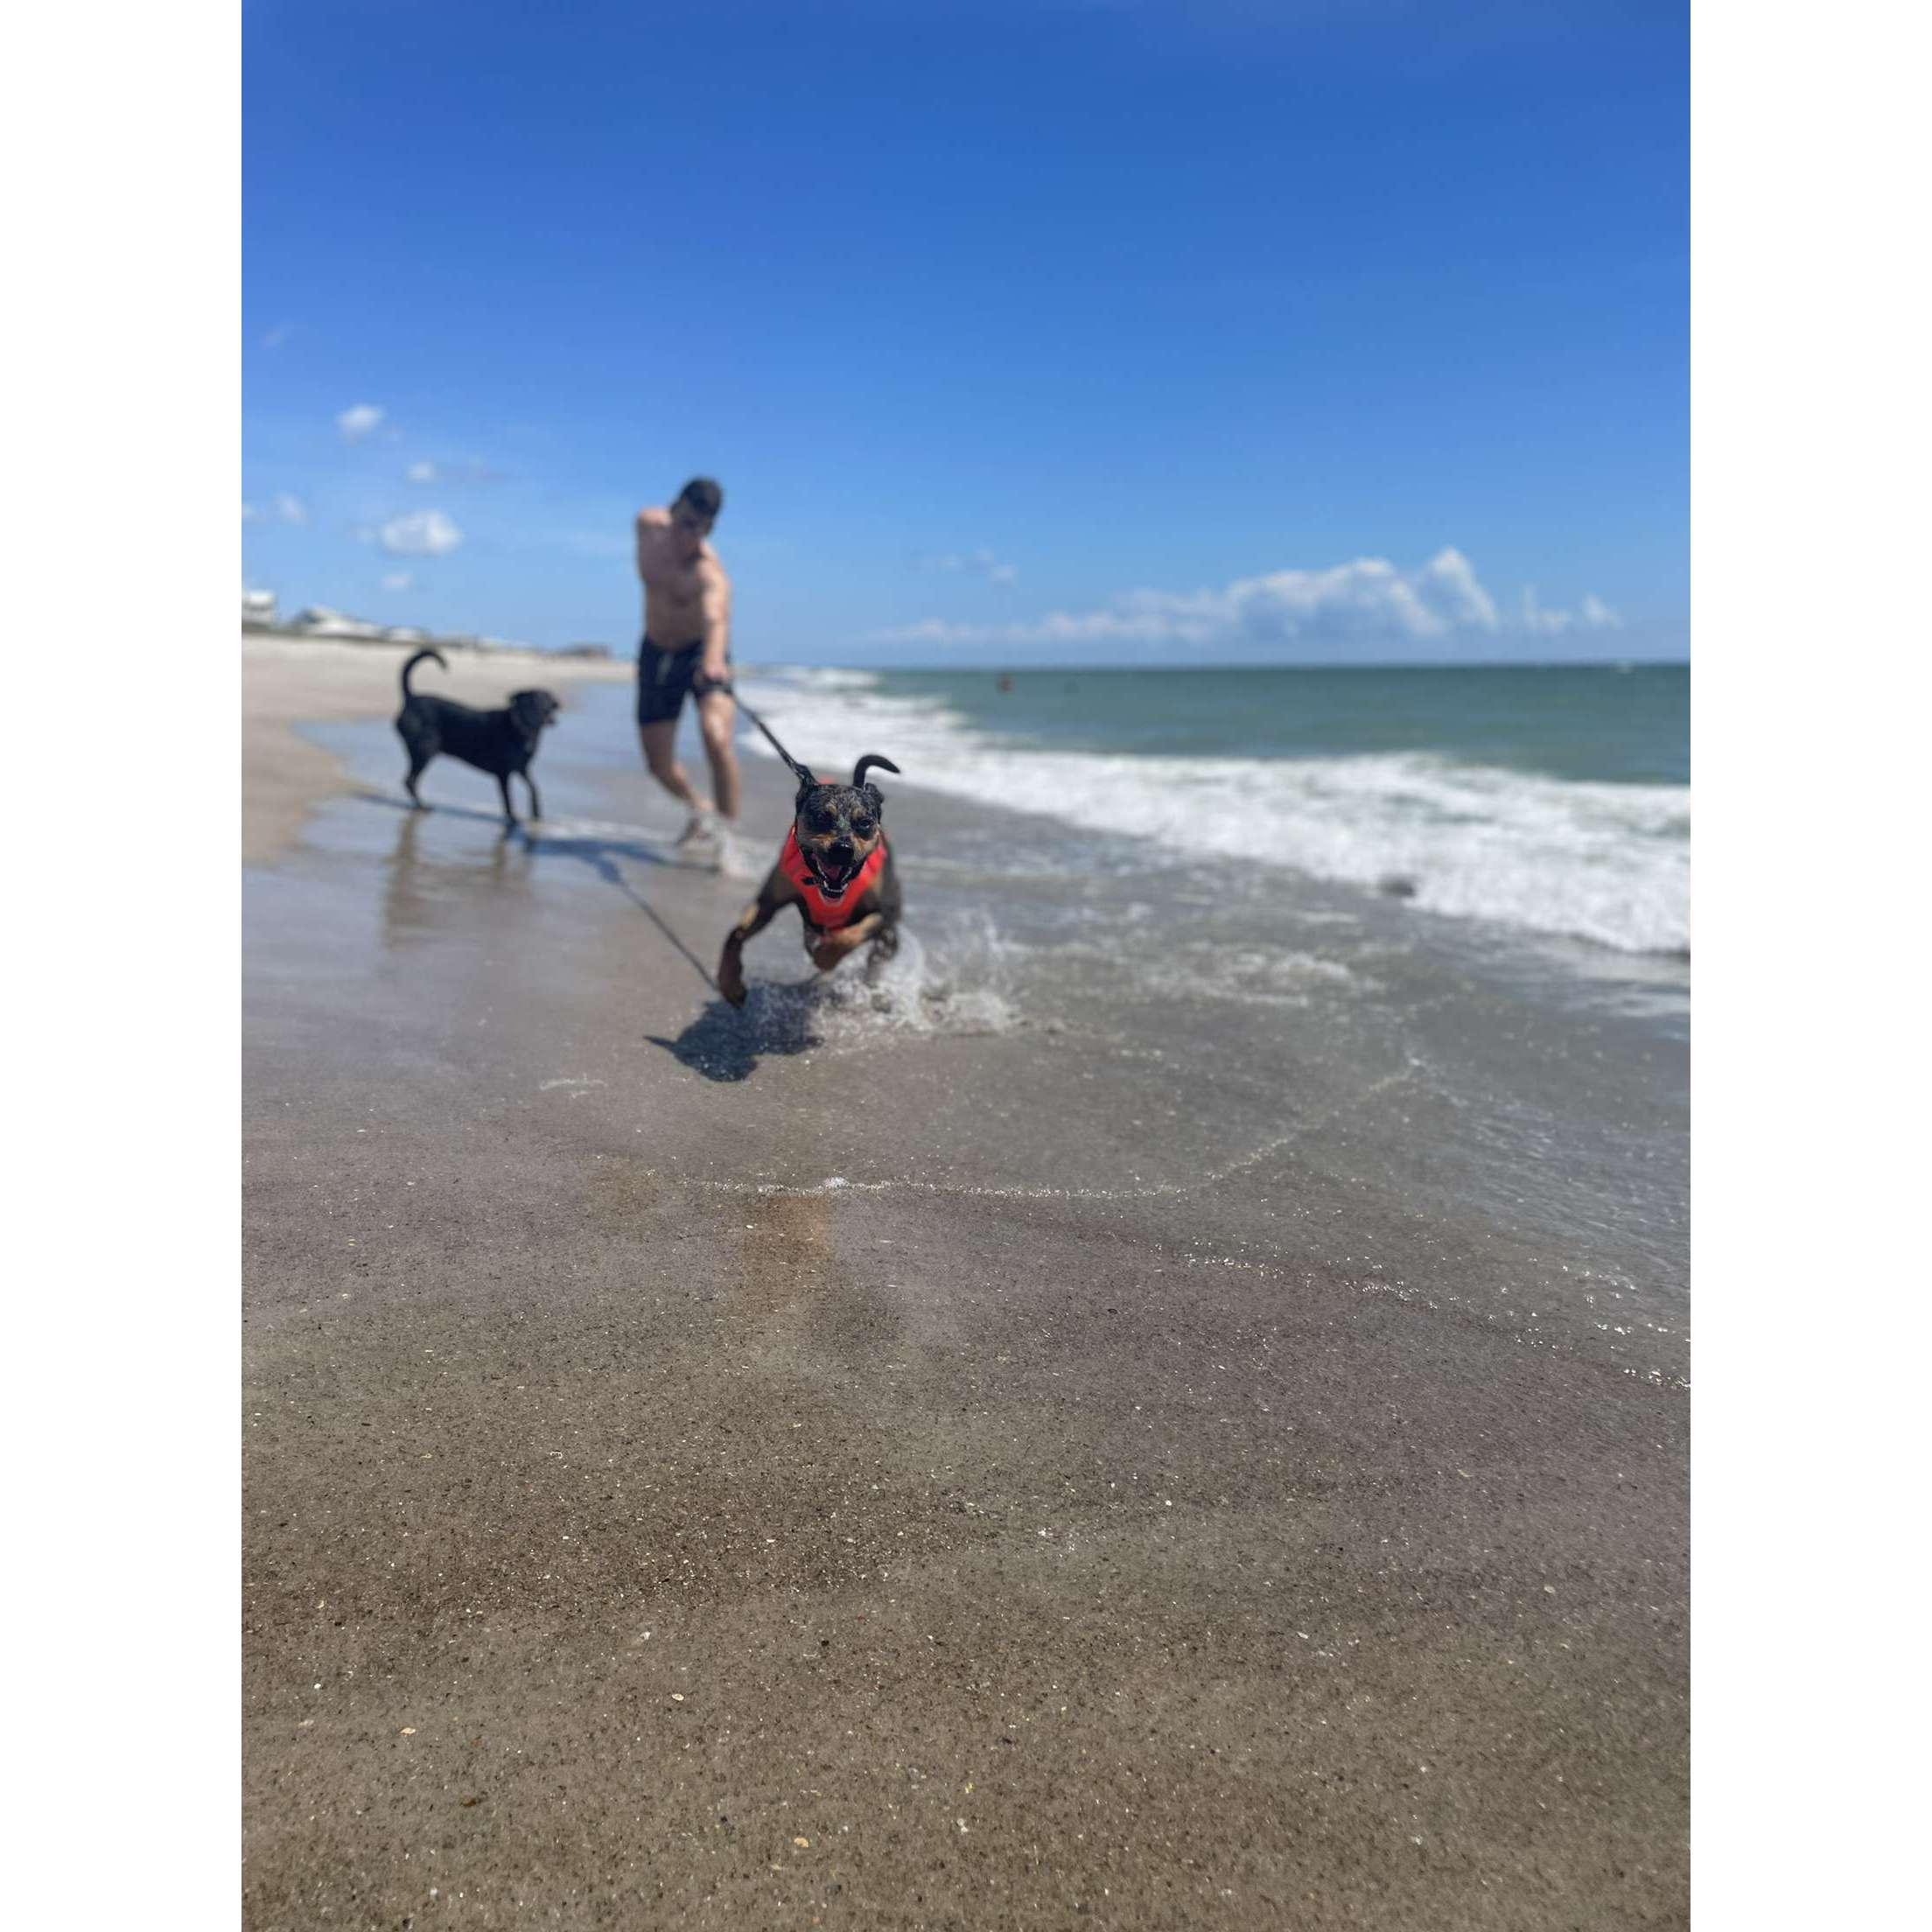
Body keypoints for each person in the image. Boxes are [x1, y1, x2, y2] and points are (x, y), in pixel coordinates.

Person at [634, 477, 738, 840]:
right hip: (656, 651)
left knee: (716, 734)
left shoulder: (709, 573)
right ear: (672, 510)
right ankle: (700, 809)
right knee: (658, 765)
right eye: (684, 522)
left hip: (700, 652)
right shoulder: (647, 526)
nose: (688, 534)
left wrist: (712, 658)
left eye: (700, 528)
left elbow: (717, 619)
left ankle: (727, 839)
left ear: (711, 528)